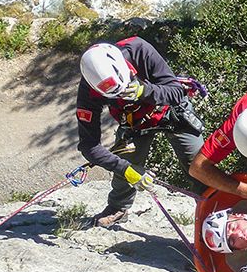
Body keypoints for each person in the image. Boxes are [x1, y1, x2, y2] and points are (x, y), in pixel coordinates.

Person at [76, 38, 205, 227]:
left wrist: (145, 91)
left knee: (200, 165)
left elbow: (176, 92)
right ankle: (117, 208)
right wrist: (125, 169)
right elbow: (89, 146)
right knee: (126, 160)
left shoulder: (138, 49)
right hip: (135, 123)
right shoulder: (89, 90)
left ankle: (211, 206)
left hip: (171, 112)